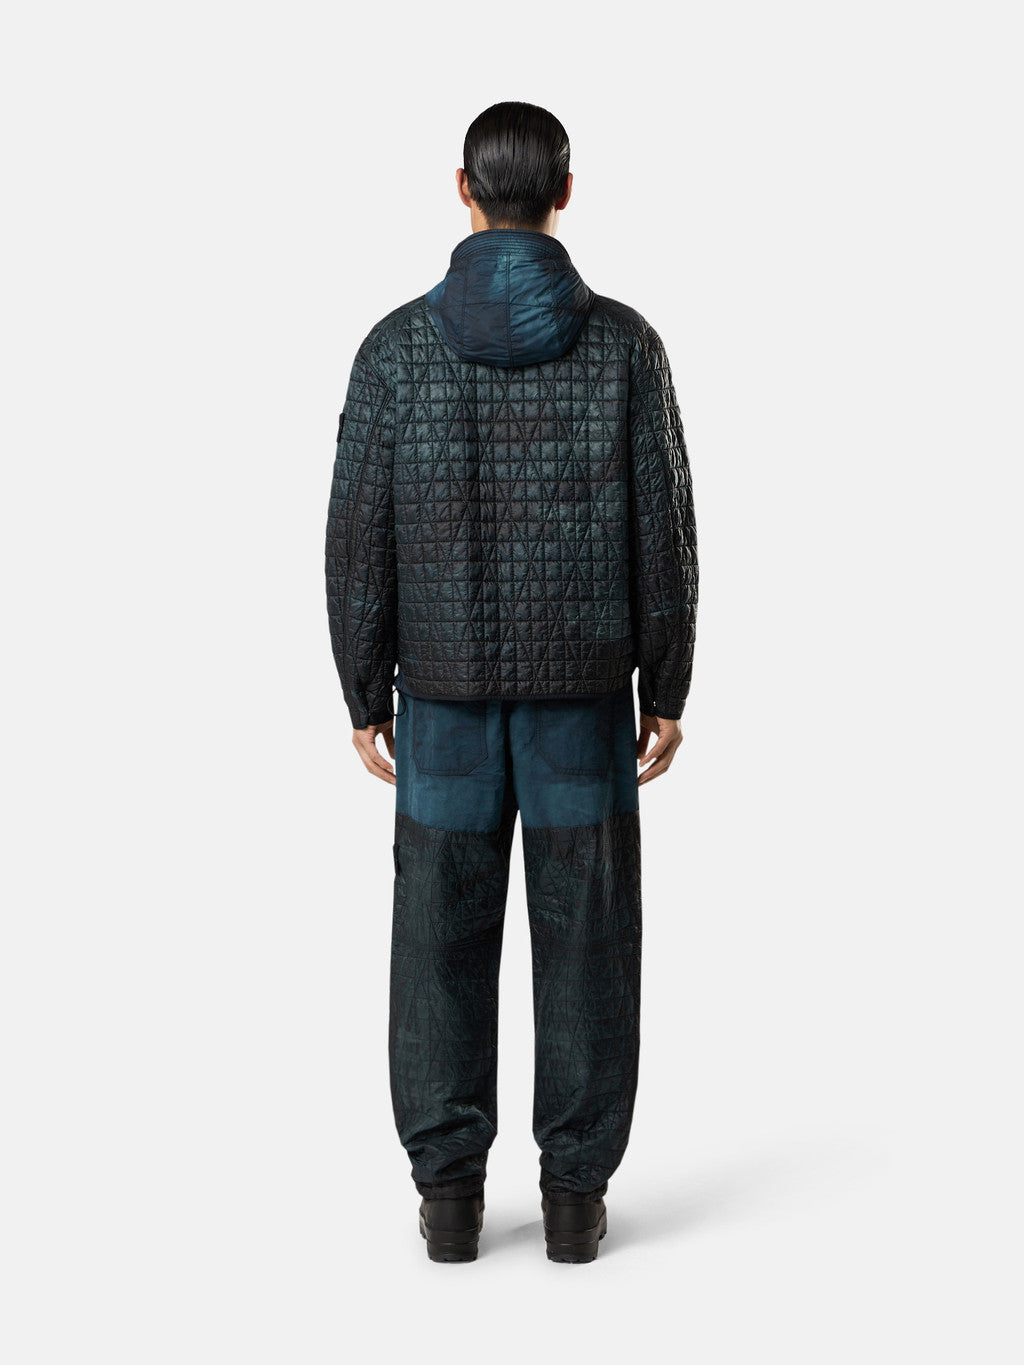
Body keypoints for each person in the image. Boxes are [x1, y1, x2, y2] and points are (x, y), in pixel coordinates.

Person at [325, 101, 697, 1263]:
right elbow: (664, 530)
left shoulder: (395, 349)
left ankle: (448, 1203)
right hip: (581, 705)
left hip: (439, 703)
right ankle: (575, 1203)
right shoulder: (625, 346)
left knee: (437, 941)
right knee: (588, 943)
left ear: (463, 189)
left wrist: (363, 687)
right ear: (565, 193)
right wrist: (667, 683)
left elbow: (357, 535)